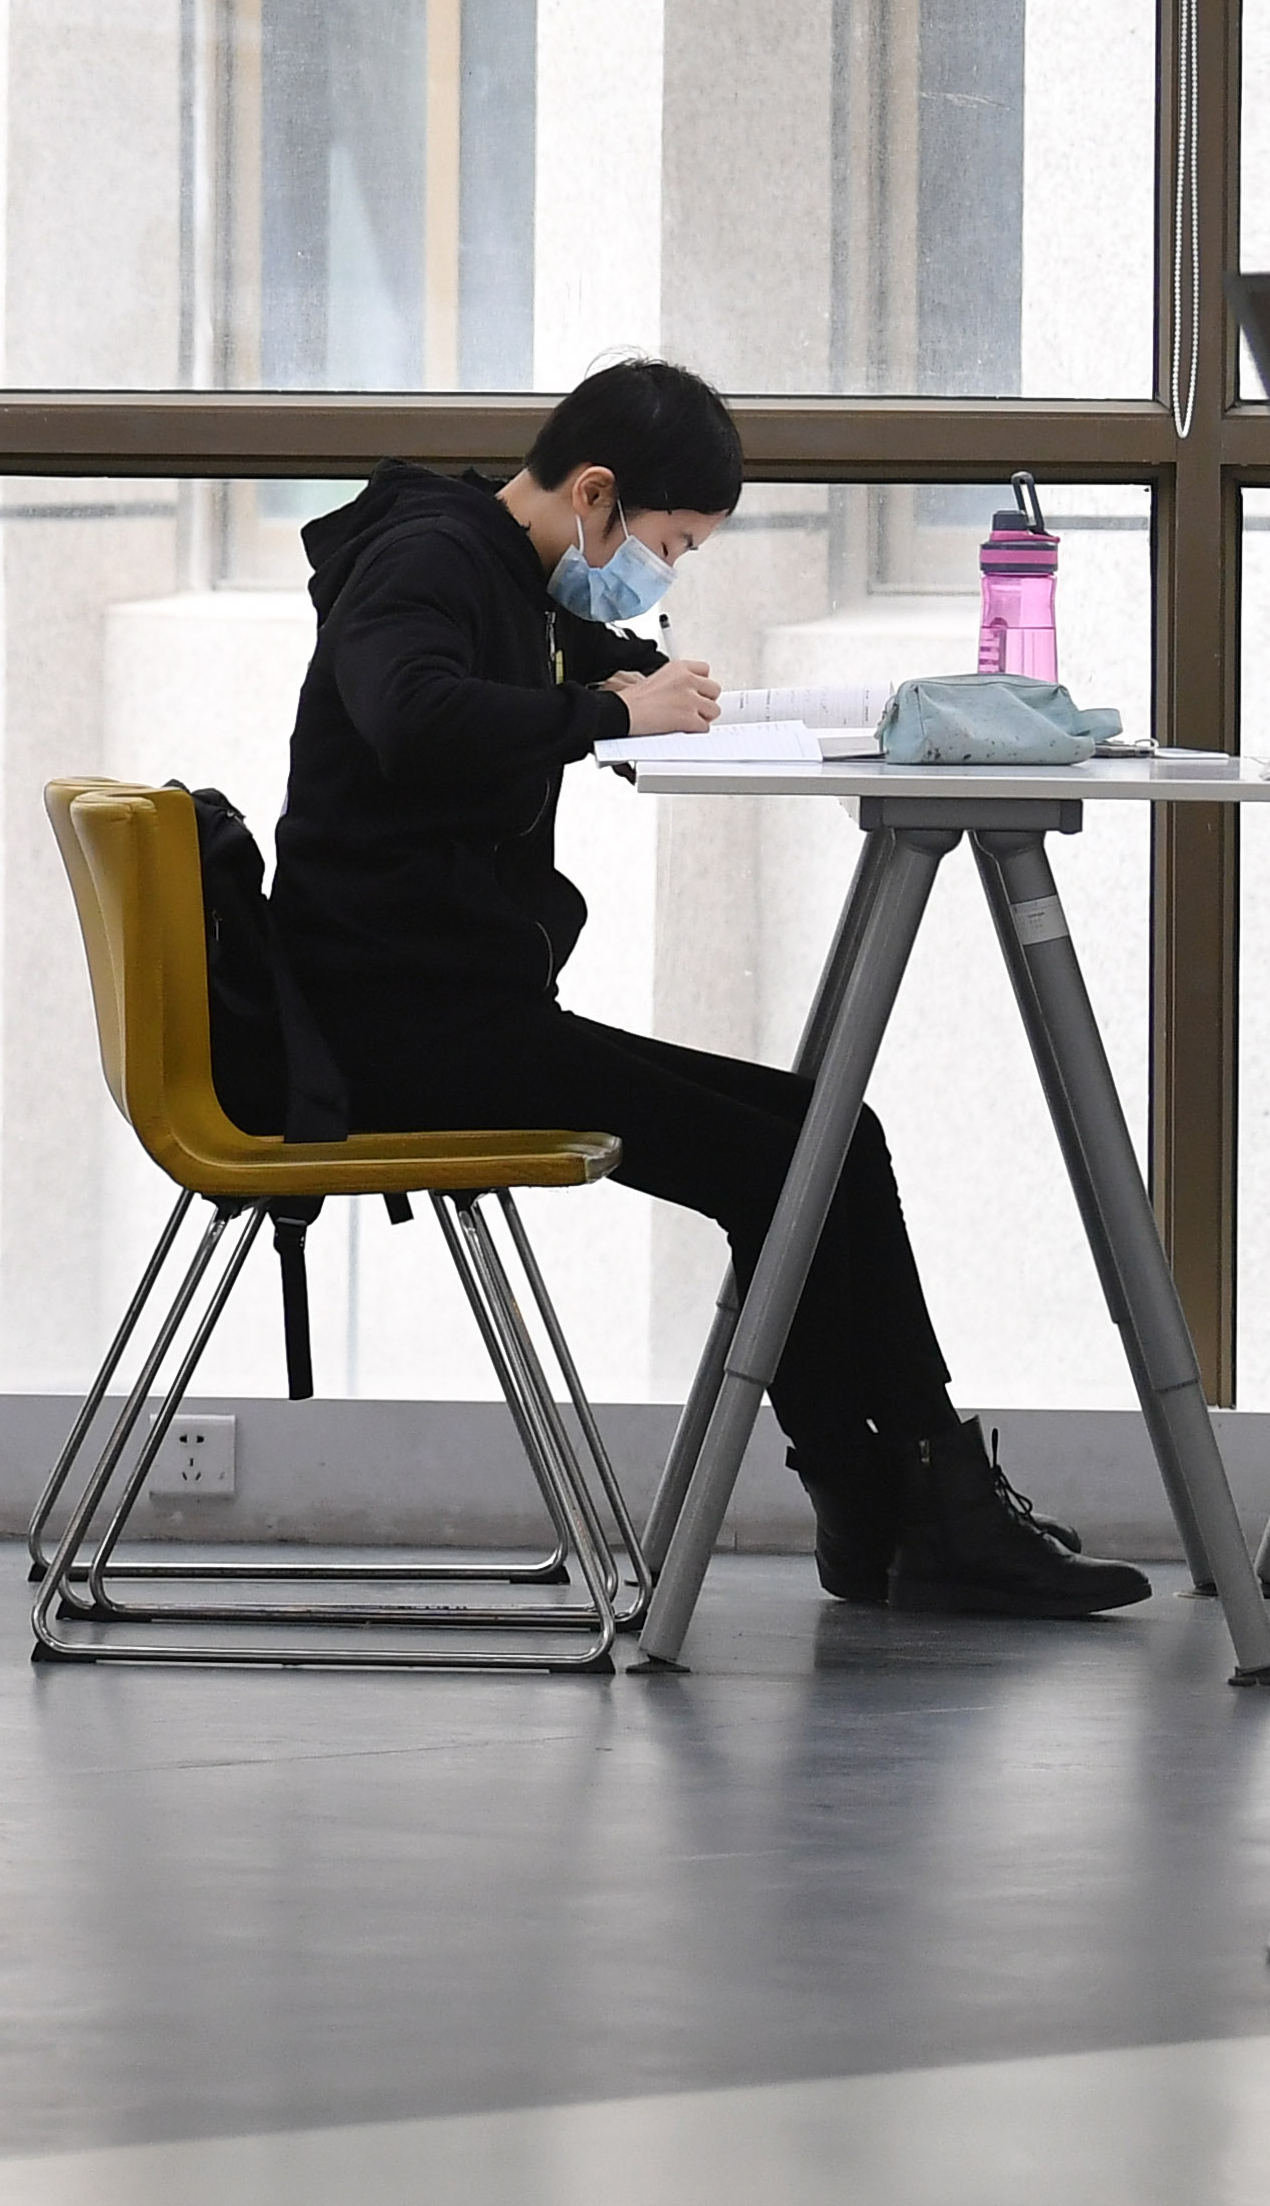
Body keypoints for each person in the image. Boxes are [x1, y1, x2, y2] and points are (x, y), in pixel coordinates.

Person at [268, 356, 1145, 1617]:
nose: (661, 573)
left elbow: (581, 670)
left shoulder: (500, 573)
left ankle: (899, 1499)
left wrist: (625, 686)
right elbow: (413, 714)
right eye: (668, 545)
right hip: (398, 1032)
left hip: (452, 1007)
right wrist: (606, 714)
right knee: (791, 1156)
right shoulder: (427, 559)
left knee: (829, 1137)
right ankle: (904, 1503)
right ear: (595, 494)